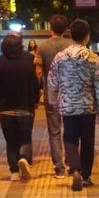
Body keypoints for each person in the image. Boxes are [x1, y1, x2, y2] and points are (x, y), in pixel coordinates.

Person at [46, 18, 99, 191]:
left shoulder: (60, 57)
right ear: (87, 37)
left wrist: (53, 102)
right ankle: (86, 176)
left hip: (68, 107)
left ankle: (76, 169)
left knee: (70, 139)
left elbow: (52, 83)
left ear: (70, 35)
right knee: (88, 141)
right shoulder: (93, 58)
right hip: (88, 108)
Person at [0, 34, 40, 181]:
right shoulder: (28, 59)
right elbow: (34, 83)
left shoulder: (1, 62)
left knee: (11, 141)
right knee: (26, 140)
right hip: (25, 109)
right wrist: (35, 100)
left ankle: (14, 172)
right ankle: (24, 158)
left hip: (6, 110)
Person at [35, 14, 72, 178]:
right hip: (71, 94)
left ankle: (60, 168)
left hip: (52, 95)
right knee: (71, 130)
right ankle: (73, 164)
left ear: (50, 28)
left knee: (54, 133)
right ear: (66, 29)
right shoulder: (72, 46)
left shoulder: (42, 48)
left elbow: (37, 72)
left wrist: (38, 92)